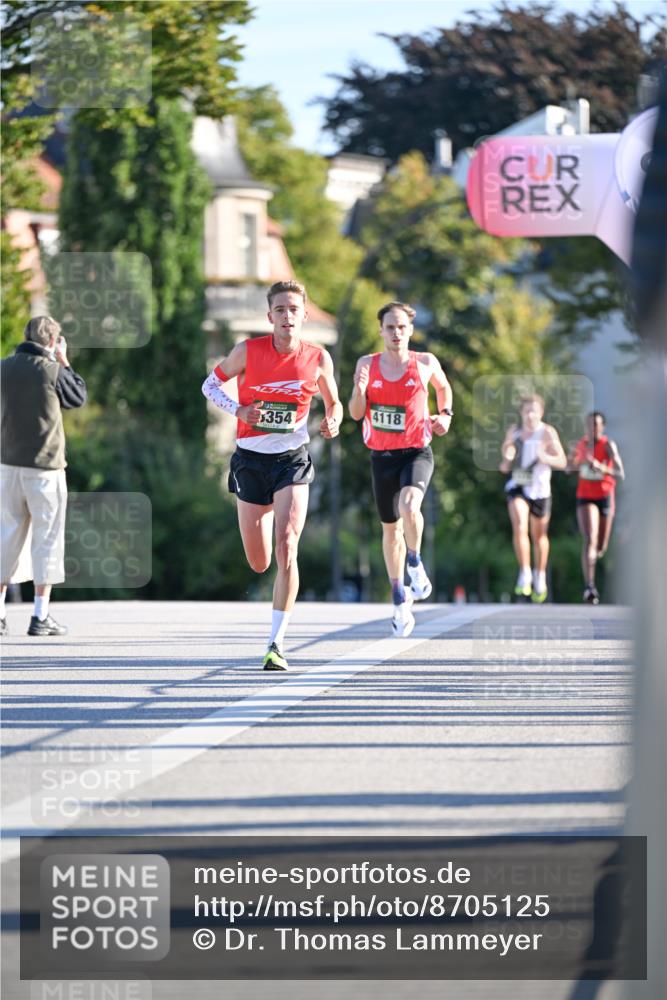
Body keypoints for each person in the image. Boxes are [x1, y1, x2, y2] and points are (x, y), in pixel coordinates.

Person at [202, 279, 342, 671]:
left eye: (293, 309)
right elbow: (209, 384)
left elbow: (335, 404)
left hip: (292, 460)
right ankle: (272, 621)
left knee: (287, 545)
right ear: (270, 316)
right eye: (279, 310)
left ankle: (276, 643)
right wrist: (238, 410)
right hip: (250, 461)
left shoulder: (318, 358)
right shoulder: (247, 351)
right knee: (260, 562)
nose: (287, 316)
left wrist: (333, 420)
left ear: (304, 316)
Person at [348, 301, 452, 638]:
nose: (396, 333)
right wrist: (359, 389)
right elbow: (355, 412)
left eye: (402, 327)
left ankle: (415, 562)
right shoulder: (367, 364)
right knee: (389, 530)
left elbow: (443, 387)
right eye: (390, 327)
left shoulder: (424, 363)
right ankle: (398, 597)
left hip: (416, 452)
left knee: (410, 505)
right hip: (381, 457)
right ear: (380, 330)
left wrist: (445, 414)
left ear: (410, 330)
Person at [1, 316, 87, 636]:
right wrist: (64, 361)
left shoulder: (3, 367)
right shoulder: (51, 370)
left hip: (7, 465)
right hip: (45, 469)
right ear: (52, 342)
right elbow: (77, 397)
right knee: (46, 540)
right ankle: (40, 616)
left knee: (5, 538)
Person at [499, 394, 567, 603]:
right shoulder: (515, 432)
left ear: (541, 413)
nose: (530, 415)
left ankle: (540, 575)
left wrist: (546, 457)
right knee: (519, 525)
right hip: (519, 485)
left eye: (534, 411)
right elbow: (506, 458)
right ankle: (525, 572)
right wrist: (508, 454)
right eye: (526, 411)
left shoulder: (547, 432)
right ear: (521, 413)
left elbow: (562, 461)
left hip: (540, 489)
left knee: (539, 536)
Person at [568, 411, 625, 604]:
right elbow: (568, 469)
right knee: (589, 537)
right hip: (585, 497)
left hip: (605, 496)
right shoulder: (581, 445)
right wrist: (574, 462)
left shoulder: (608, 445)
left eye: (596, 425)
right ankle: (589, 587)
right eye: (589, 425)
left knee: (601, 546)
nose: (592, 429)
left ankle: (594, 571)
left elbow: (620, 473)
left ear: (602, 427)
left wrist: (601, 468)